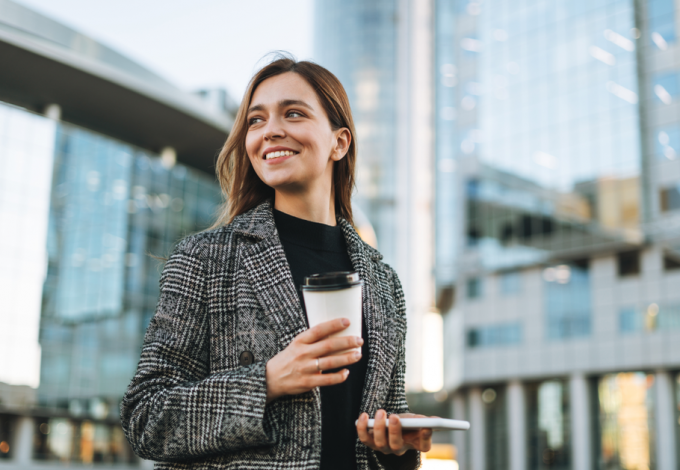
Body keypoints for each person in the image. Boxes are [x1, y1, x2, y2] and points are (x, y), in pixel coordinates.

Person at [120, 55, 433, 470]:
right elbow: (146, 417)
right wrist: (266, 382)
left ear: (339, 142)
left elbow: (387, 428)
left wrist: (398, 446)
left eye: (293, 113)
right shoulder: (205, 258)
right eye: (256, 120)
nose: (270, 131)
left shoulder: (384, 282)